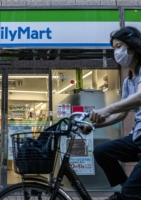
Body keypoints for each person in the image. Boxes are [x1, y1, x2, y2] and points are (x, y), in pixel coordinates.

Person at [82, 26, 141, 200]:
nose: (116, 52)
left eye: (118, 47)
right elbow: (122, 114)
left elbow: (140, 96)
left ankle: (130, 193)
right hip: (137, 137)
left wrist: (107, 109)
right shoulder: (128, 80)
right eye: (114, 49)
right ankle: (129, 190)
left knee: (130, 193)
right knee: (102, 152)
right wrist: (93, 125)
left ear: (131, 46)